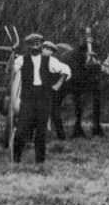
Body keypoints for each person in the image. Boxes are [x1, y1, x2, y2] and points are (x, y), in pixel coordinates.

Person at [12, 34, 71, 164]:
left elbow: (66, 70)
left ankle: (40, 161)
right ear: (28, 46)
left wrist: (58, 84)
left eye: (37, 43)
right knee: (21, 130)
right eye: (32, 44)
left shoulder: (49, 61)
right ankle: (16, 160)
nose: (35, 46)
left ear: (41, 45)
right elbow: (11, 71)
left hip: (43, 98)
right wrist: (13, 54)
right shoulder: (21, 60)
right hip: (27, 98)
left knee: (41, 131)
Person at [41, 41, 67, 141]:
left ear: (52, 52)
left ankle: (61, 137)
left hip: (49, 91)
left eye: (50, 50)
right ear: (42, 48)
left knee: (55, 112)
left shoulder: (54, 62)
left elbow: (65, 70)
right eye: (45, 48)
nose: (47, 51)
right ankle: (30, 137)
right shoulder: (34, 59)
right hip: (35, 90)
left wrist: (58, 84)